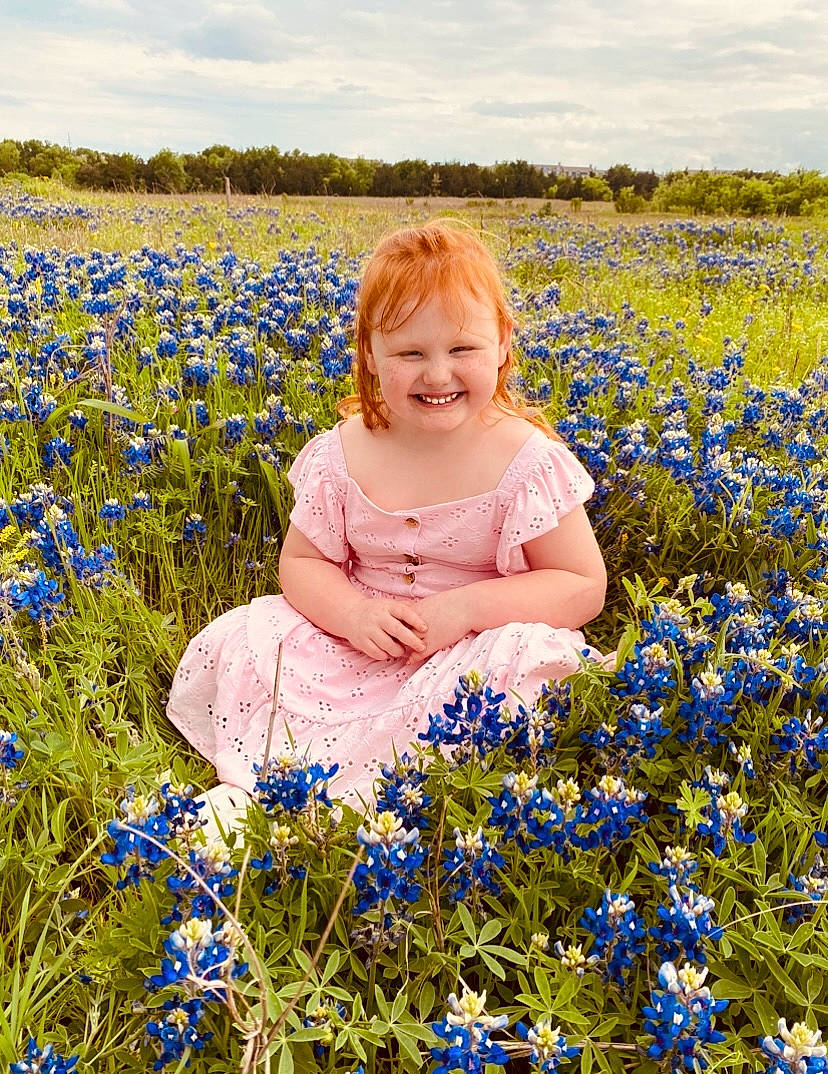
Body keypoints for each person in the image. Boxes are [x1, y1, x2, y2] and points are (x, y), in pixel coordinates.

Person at [167, 221, 608, 835]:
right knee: (251, 635)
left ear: (504, 342)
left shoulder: (525, 460)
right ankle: (260, 790)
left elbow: (582, 584)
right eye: (410, 354)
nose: (438, 375)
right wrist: (352, 613)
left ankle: (370, 799)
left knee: (531, 659)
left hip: (468, 652)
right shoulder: (344, 452)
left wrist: (468, 610)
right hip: (356, 643)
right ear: (370, 354)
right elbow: (303, 563)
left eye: (462, 349)